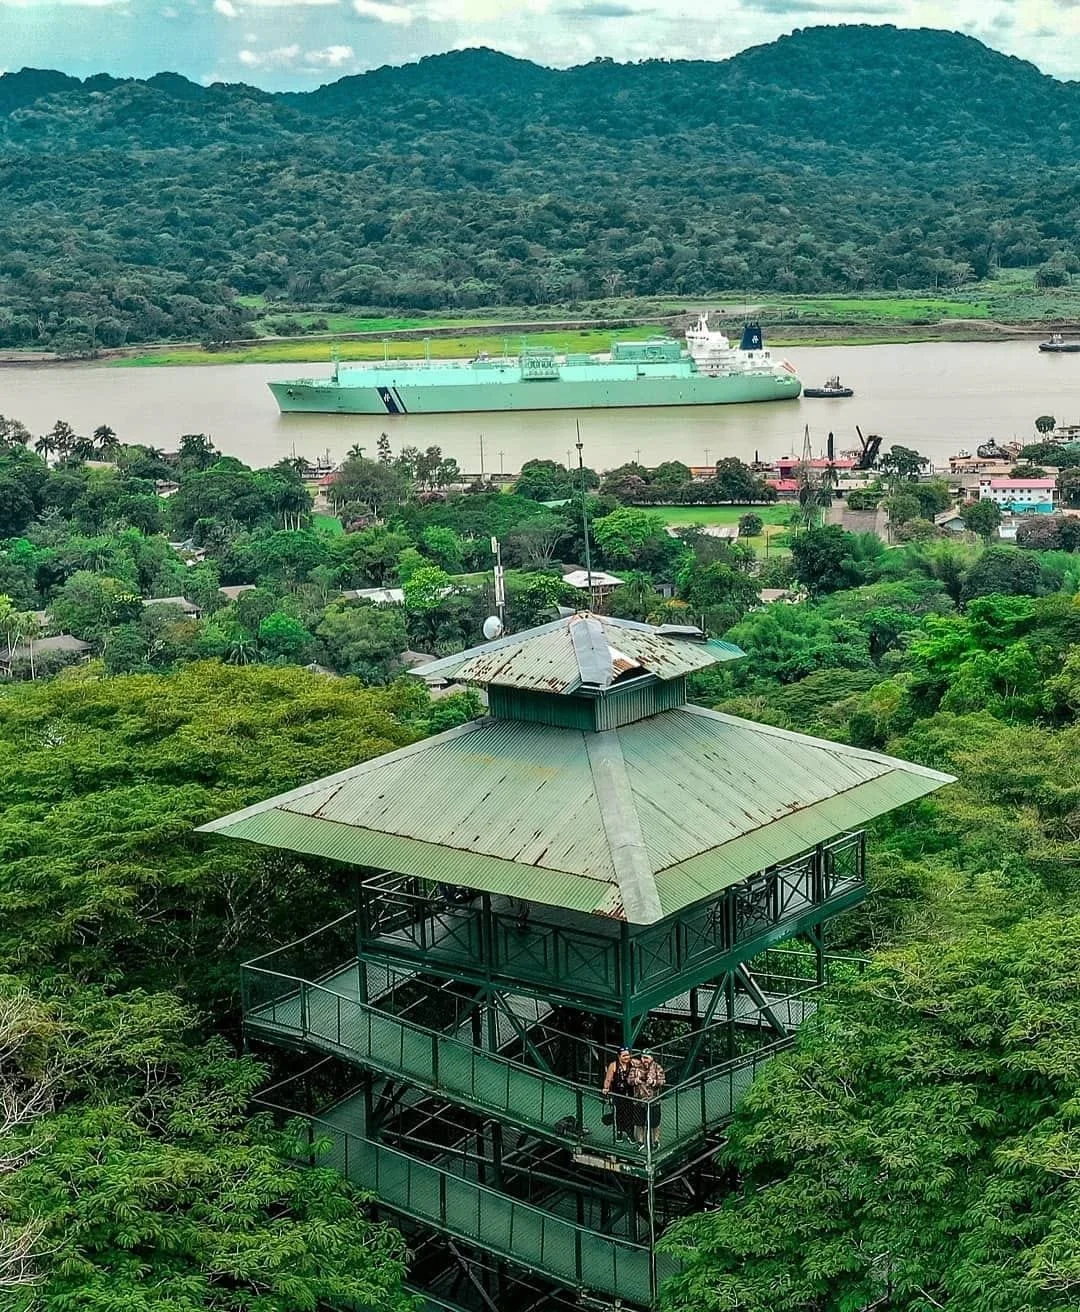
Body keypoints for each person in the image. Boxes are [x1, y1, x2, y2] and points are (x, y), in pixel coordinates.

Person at [630, 1050, 666, 1151]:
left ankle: (655, 1141)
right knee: (639, 1123)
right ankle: (640, 1142)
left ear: (651, 1058)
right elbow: (629, 1080)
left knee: (655, 1123)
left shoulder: (657, 1067)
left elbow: (663, 1081)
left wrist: (654, 1082)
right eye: (642, 1057)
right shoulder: (635, 1068)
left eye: (646, 1057)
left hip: (653, 1100)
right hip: (639, 1099)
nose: (644, 1060)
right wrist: (635, 1080)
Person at [601, 1047, 637, 1143]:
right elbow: (608, 1078)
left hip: (629, 1093)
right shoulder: (613, 1065)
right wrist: (606, 1088)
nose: (626, 1057)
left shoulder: (633, 1063)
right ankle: (619, 1132)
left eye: (628, 1055)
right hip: (618, 1093)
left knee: (630, 1113)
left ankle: (630, 1132)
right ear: (619, 1056)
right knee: (619, 1113)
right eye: (624, 1055)